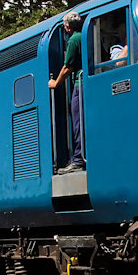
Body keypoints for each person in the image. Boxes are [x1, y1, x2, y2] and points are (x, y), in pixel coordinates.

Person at [48, 11, 85, 174]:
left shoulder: (73, 40)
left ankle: (77, 160)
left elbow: (67, 67)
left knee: (77, 122)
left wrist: (55, 83)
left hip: (80, 84)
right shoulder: (85, 35)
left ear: (67, 26)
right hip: (87, 83)